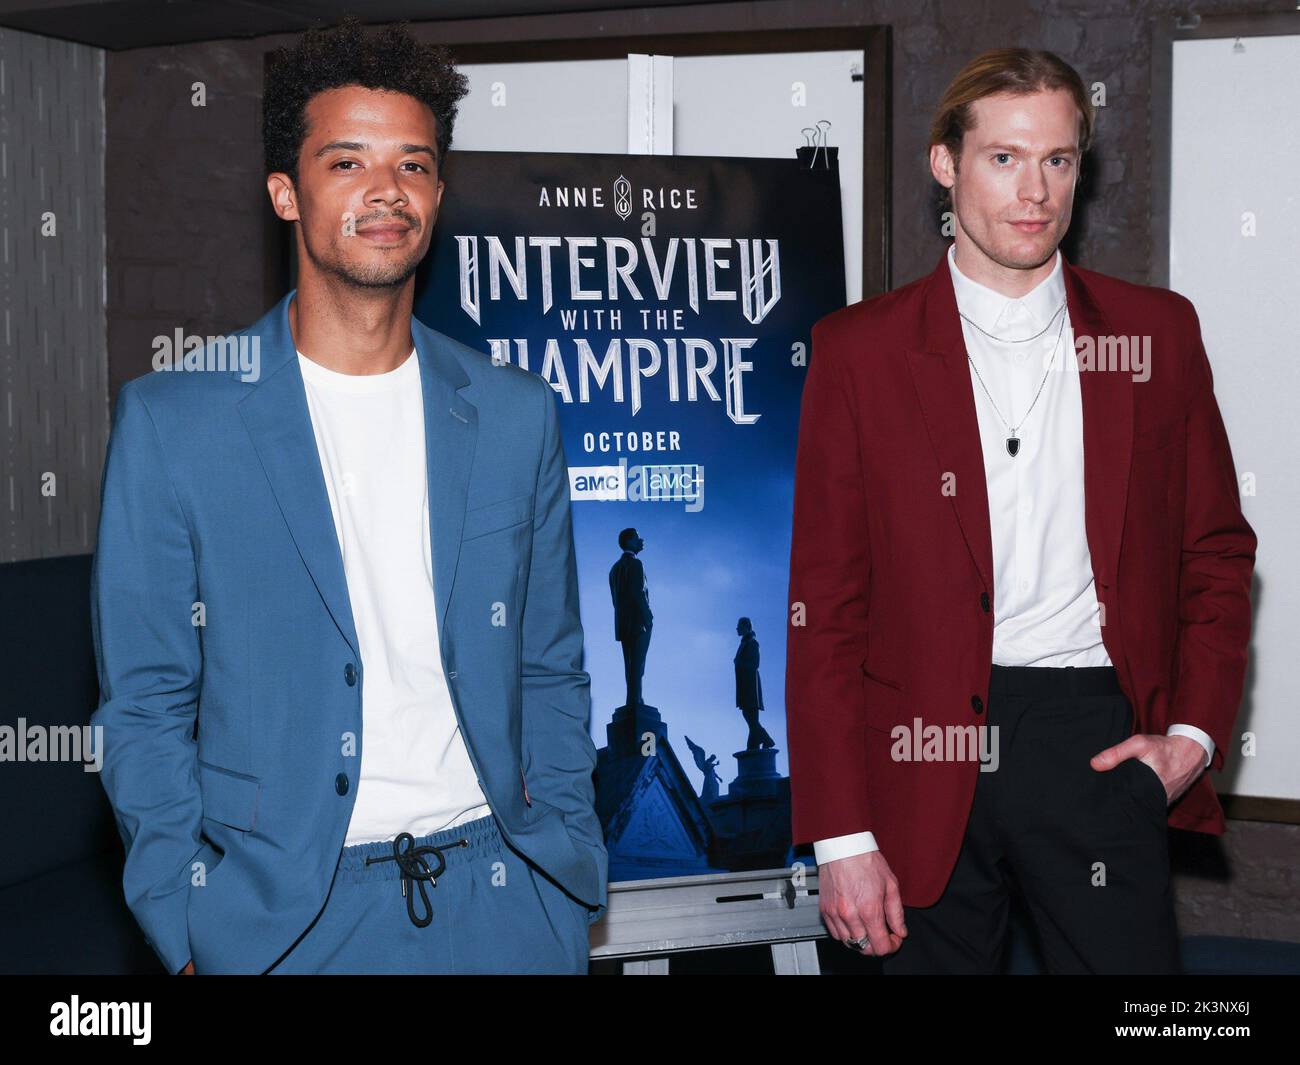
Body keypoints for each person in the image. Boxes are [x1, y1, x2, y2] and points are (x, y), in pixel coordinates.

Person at [90, 16, 605, 975]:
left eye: (413, 165)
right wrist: (184, 920)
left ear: (439, 193)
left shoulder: (515, 414)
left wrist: (563, 863)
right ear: (285, 193)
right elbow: (147, 705)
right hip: (287, 922)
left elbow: (550, 665)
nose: (385, 191)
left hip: (510, 907)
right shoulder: (173, 423)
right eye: (347, 162)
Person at [785, 48, 1255, 974]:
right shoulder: (858, 353)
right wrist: (840, 835)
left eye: (1058, 159)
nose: (1035, 189)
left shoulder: (1155, 335)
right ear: (944, 164)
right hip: (916, 745)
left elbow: (1217, 550)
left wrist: (1195, 738)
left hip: (1093, 737)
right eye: (1003, 158)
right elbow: (825, 605)